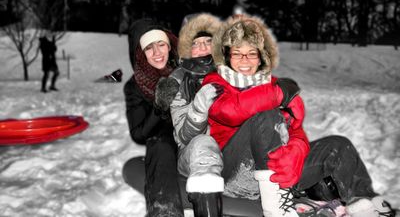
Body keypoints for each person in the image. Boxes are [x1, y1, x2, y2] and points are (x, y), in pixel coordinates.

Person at [199, 14, 395, 217]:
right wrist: (277, 94)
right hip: (235, 172)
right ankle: (277, 210)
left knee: (338, 146)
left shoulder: (274, 85)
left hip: (279, 173)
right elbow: (230, 111)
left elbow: (297, 133)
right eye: (237, 54)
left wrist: (295, 153)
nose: (245, 60)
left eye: (252, 54)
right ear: (228, 56)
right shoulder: (215, 82)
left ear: (261, 57)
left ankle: (365, 204)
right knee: (266, 118)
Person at [154, 13, 224, 217]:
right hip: (193, 154)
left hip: (228, 150)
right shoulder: (176, 82)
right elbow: (185, 137)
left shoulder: (231, 71)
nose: (203, 48)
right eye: (196, 43)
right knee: (203, 145)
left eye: (208, 41)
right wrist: (199, 109)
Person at [122, 18, 184, 216]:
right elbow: (138, 134)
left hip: (195, 140)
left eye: (161, 44)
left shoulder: (185, 72)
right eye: (149, 47)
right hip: (164, 148)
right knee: (159, 144)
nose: (157, 53)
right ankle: (165, 211)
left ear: (169, 45)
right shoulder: (135, 86)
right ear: (140, 53)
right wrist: (160, 106)